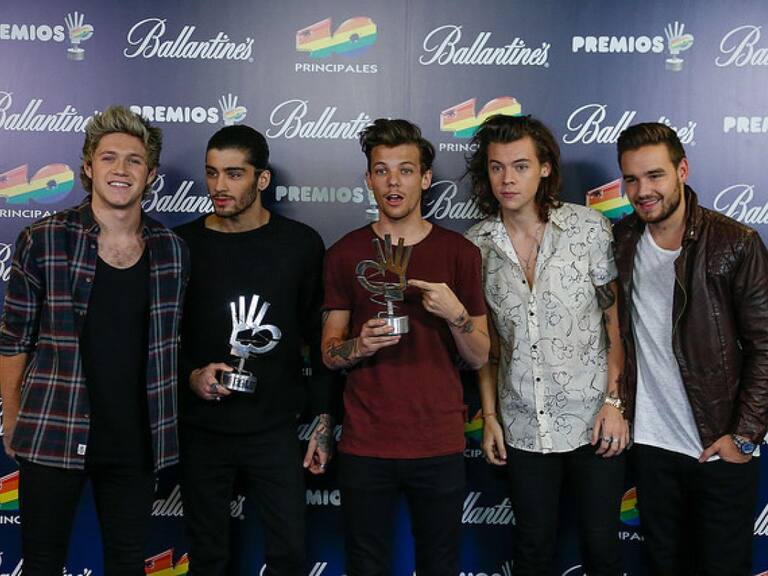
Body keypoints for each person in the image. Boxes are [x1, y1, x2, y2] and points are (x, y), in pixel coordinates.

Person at [0, 105, 188, 575]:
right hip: (52, 427)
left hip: (137, 438)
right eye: (109, 158)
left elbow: (176, 343)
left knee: (127, 563)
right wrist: (13, 417)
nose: (121, 170)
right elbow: (14, 337)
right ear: (88, 167)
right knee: (42, 562)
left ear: (150, 174)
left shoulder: (172, 250)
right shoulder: (44, 238)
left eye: (134, 160)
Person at [321, 118, 489, 575]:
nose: (393, 182)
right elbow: (329, 352)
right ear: (369, 179)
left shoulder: (460, 253)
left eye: (406, 170)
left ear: (426, 178)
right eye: (382, 170)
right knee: (365, 565)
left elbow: (479, 355)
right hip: (366, 442)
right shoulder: (343, 253)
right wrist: (359, 346)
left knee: (440, 564)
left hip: (437, 442)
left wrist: (455, 313)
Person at [464, 114, 628, 576]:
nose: (507, 179)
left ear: (545, 168)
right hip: (522, 424)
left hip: (594, 419)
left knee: (602, 548)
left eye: (520, 166)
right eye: (497, 167)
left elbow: (615, 325)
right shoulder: (476, 245)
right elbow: (487, 346)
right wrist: (490, 417)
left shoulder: (589, 229)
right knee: (533, 549)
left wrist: (615, 401)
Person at [175, 124, 332, 576]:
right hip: (201, 428)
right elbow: (158, 339)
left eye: (234, 174)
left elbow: (321, 339)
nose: (219, 186)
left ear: (262, 179)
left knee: (289, 553)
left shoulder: (300, 244)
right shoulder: (181, 245)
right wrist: (192, 376)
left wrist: (324, 419)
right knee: (207, 557)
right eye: (211, 173)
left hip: (274, 428)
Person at [613, 122, 768, 576]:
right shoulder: (622, 240)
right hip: (651, 448)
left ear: (682, 170)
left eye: (655, 175)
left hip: (717, 447)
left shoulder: (734, 242)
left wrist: (744, 436)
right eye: (631, 179)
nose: (643, 191)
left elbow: (766, 346)